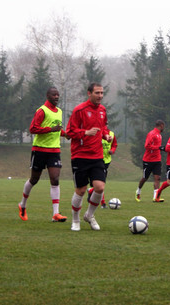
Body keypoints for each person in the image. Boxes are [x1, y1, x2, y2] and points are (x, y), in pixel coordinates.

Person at [18, 87, 69, 223]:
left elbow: (57, 129)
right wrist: (50, 129)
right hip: (40, 150)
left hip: (54, 151)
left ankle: (56, 213)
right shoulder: (42, 111)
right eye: (54, 94)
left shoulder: (59, 111)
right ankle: (22, 204)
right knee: (34, 179)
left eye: (58, 95)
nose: (57, 97)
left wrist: (65, 134)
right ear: (48, 96)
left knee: (55, 178)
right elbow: (33, 129)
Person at [66, 83, 112, 231]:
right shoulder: (79, 110)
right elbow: (69, 132)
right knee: (81, 190)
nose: (100, 96)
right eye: (97, 93)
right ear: (89, 93)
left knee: (99, 187)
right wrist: (85, 132)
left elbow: (103, 127)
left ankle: (89, 215)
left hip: (97, 155)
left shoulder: (103, 110)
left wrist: (105, 135)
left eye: (102, 93)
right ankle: (75, 219)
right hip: (80, 155)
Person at [135, 120, 165, 202]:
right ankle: (138, 191)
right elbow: (147, 146)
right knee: (145, 178)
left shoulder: (159, 135)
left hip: (157, 159)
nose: (164, 128)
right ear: (161, 125)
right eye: (163, 126)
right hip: (148, 160)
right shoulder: (152, 134)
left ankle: (156, 197)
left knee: (157, 178)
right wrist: (158, 148)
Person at [88, 130, 117, 208]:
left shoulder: (112, 134)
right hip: (98, 160)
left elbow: (114, 145)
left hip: (107, 161)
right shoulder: (97, 133)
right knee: (102, 182)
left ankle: (91, 190)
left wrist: (112, 151)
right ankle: (103, 203)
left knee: (101, 182)